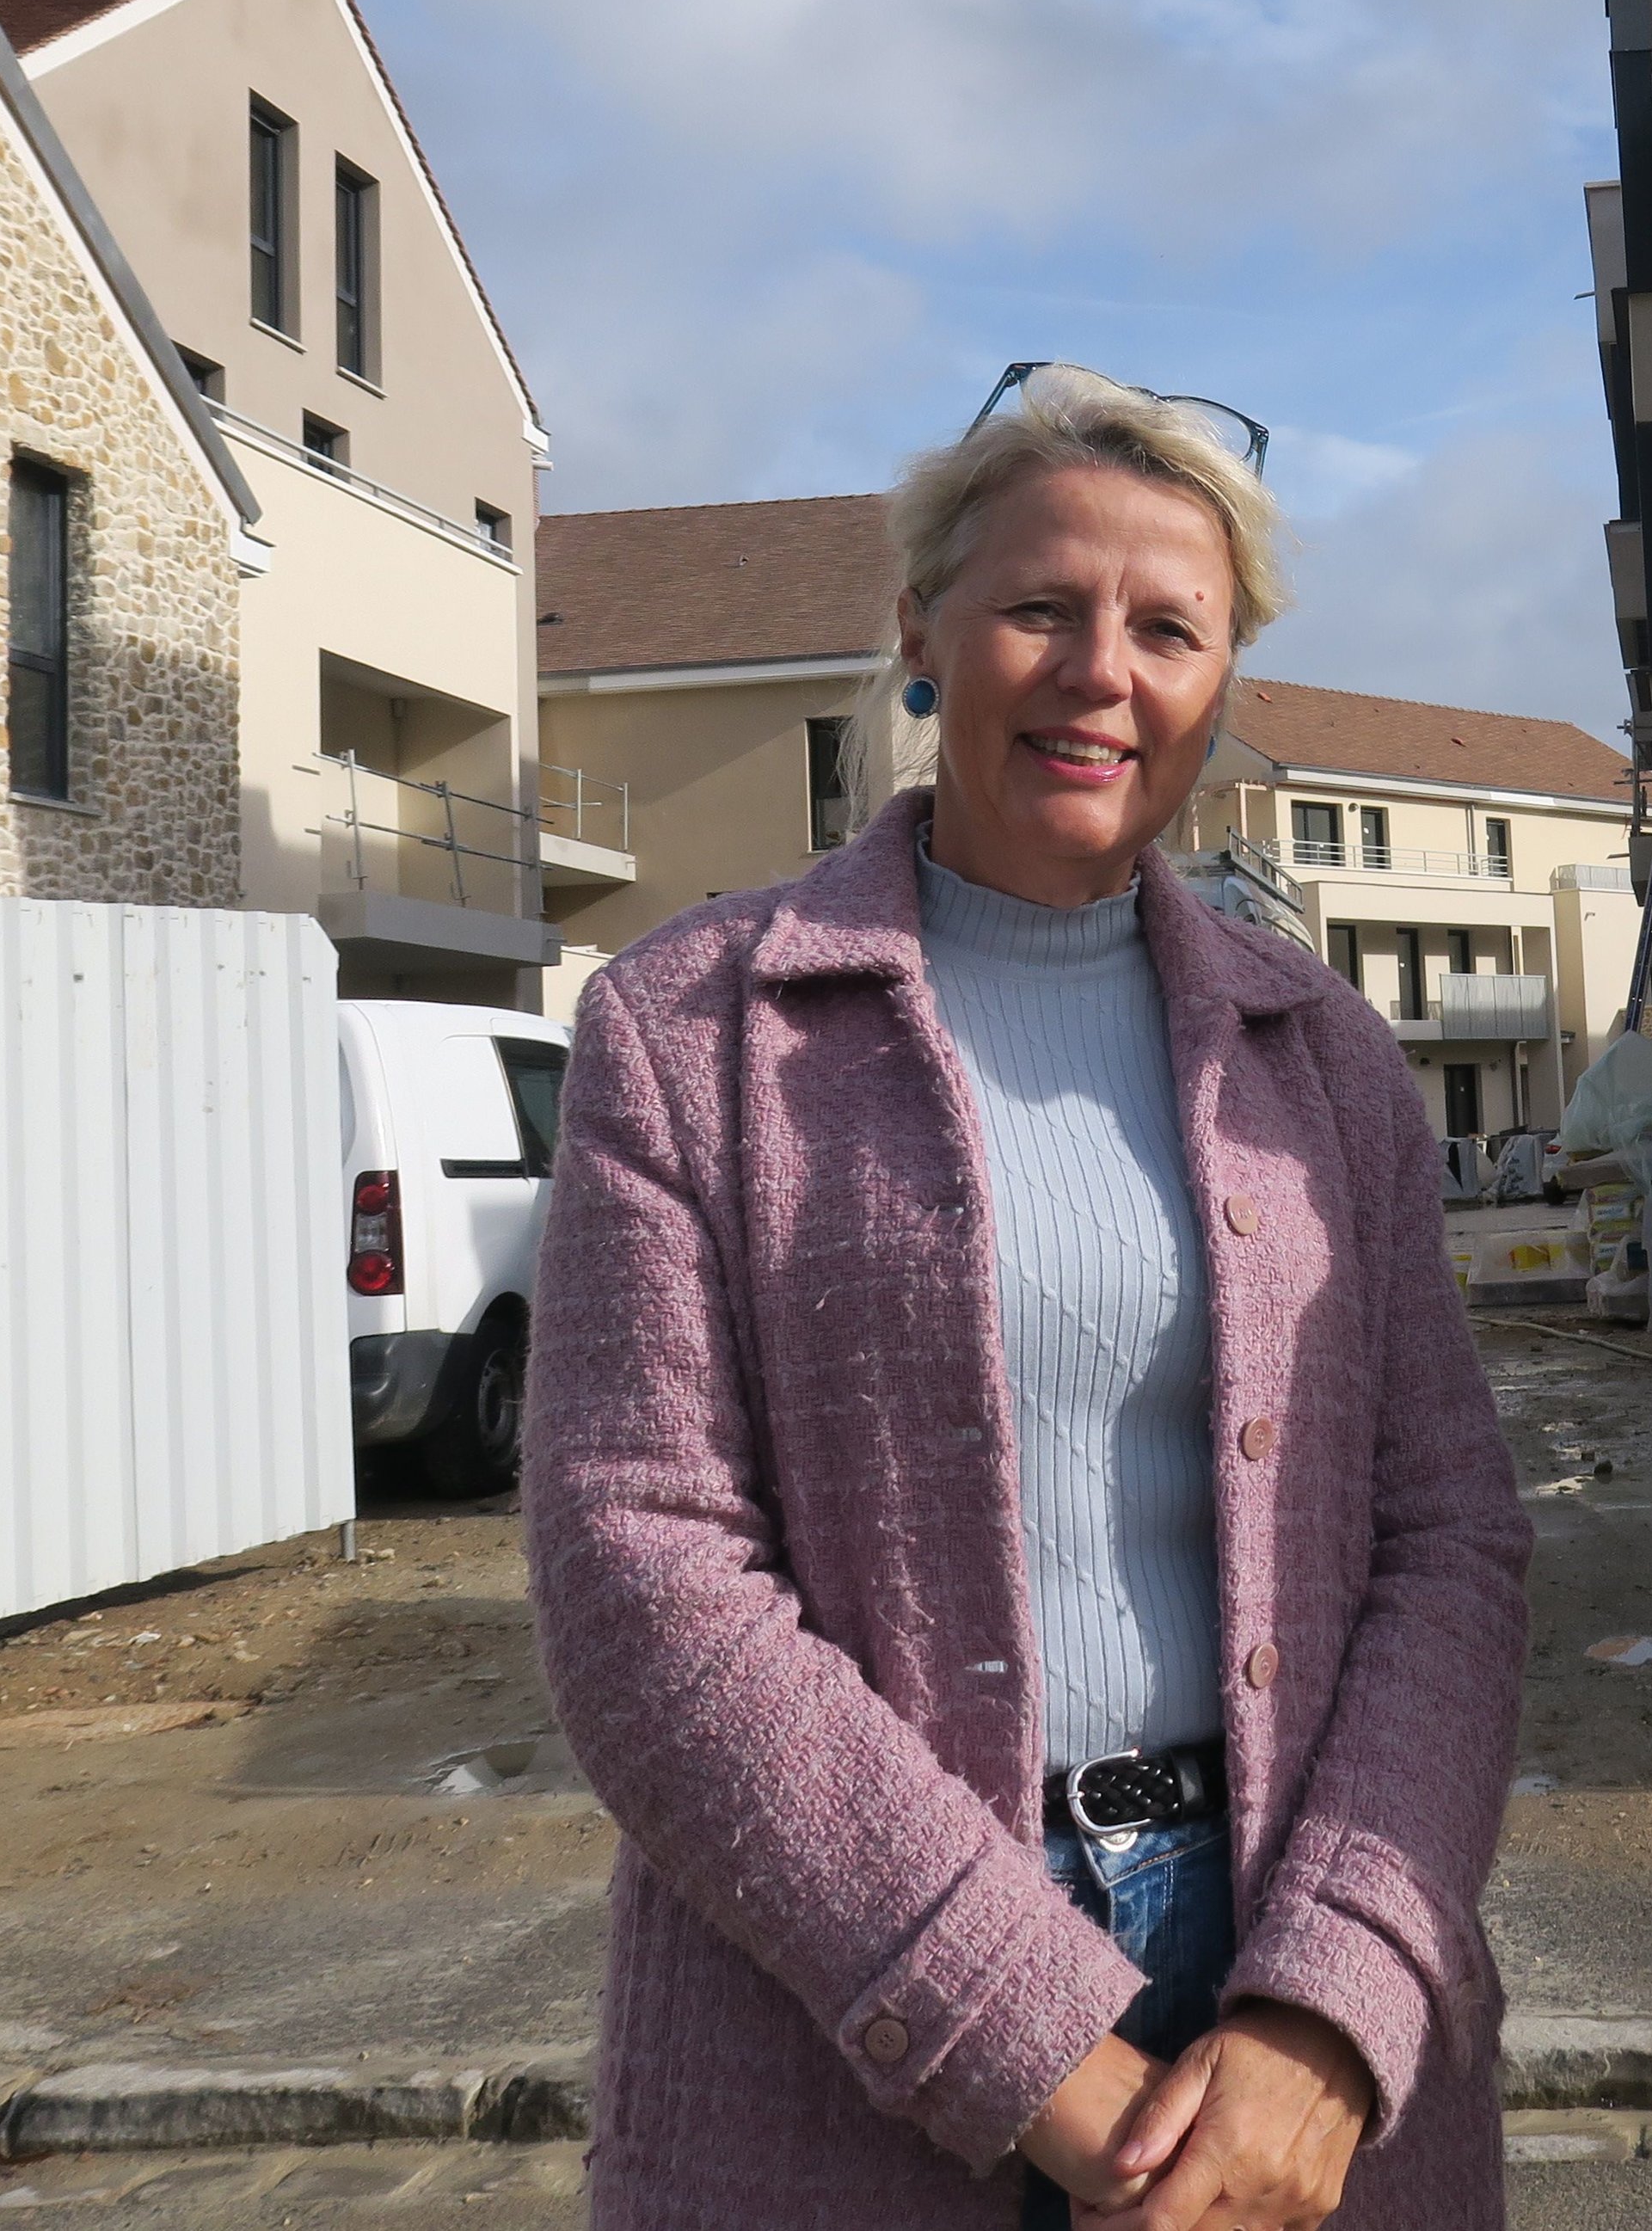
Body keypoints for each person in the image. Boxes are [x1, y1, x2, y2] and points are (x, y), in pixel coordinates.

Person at [525, 366, 1528, 2231]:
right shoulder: (687, 1033)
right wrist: (1029, 2032)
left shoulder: (1328, 1062)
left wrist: (1333, 2003)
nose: (1101, 670)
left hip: (1284, 1983)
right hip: (827, 2018)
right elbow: (636, 1566)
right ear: (923, 625)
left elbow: (1448, 1538)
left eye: (1169, 626)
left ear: (1222, 683)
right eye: (1040, 607)